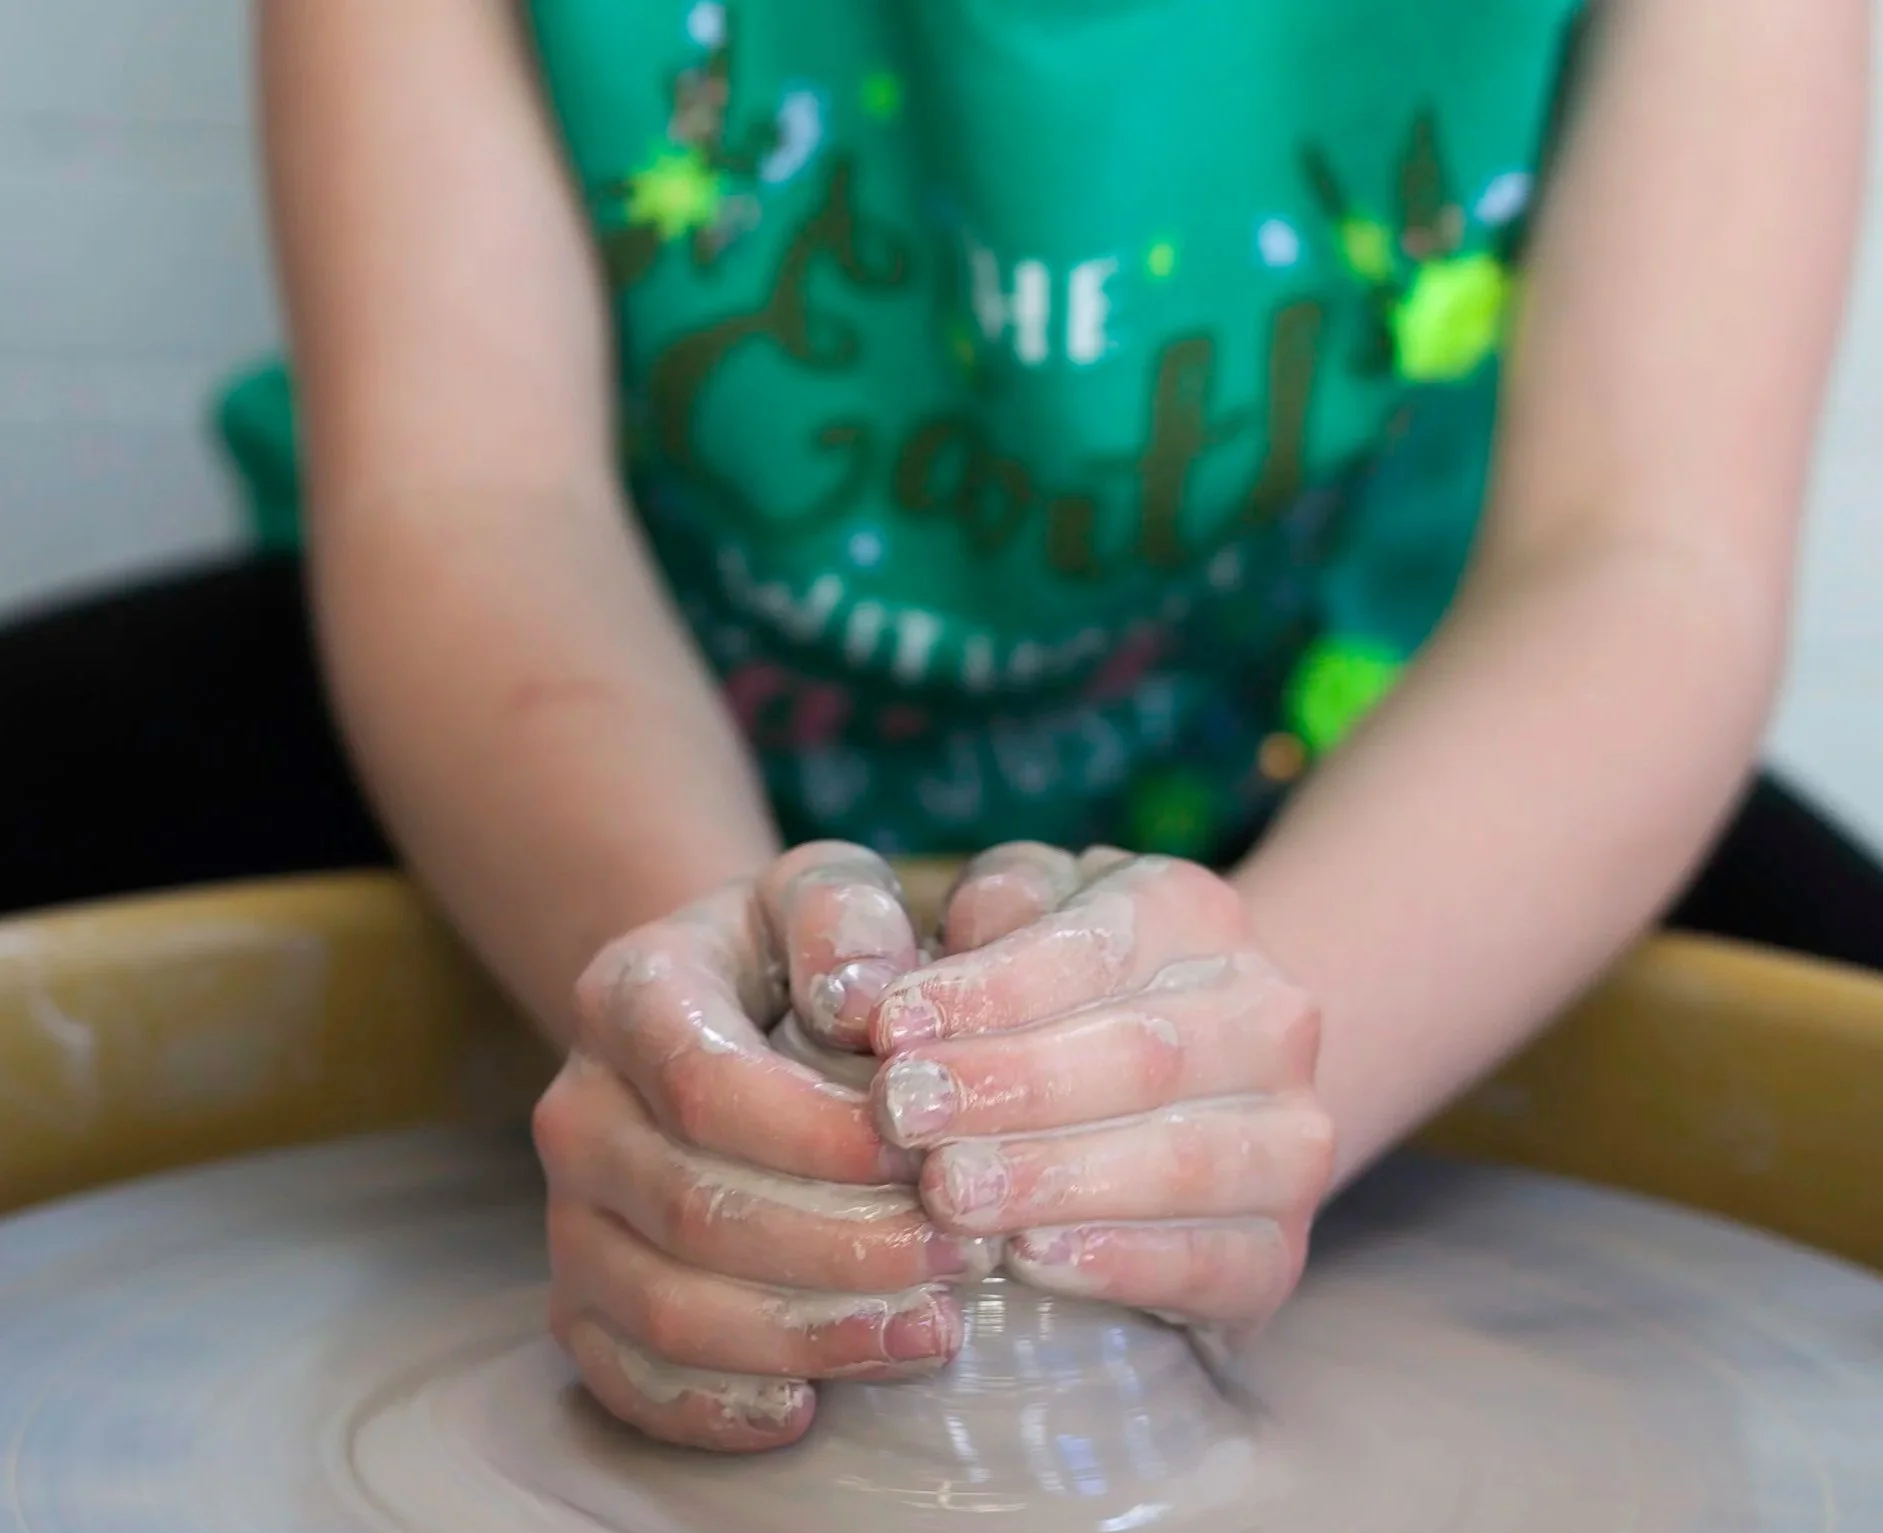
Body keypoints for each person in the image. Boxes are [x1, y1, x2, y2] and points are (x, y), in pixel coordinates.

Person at [0, 0, 1876, 1450]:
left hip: (1329, 768)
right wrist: (728, 1074)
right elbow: (476, 500)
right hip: (591, 713)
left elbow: (1638, 561)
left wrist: (1215, 1109)